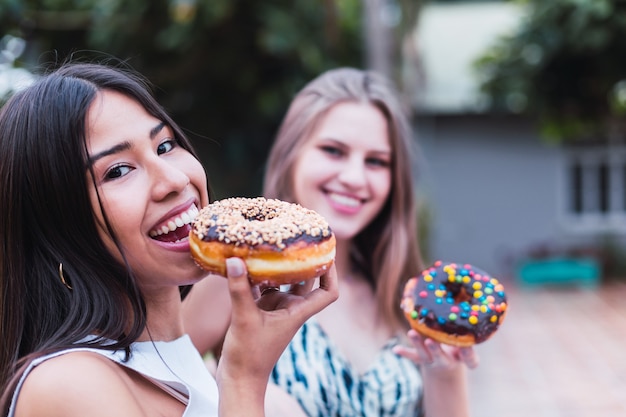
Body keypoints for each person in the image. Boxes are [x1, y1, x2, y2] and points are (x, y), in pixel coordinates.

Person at [0, 59, 338, 417]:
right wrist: (243, 380)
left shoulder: (200, 375)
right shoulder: (67, 384)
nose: (175, 180)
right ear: (56, 230)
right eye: (117, 171)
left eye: (164, 146)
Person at [184, 67, 479, 417]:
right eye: (334, 151)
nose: (355, 178)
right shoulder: (238, 278)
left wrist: (444, 371)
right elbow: (154, 386)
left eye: (376, 161)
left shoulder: (407, 294)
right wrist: (216, 387)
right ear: (292, 154)